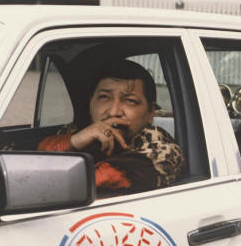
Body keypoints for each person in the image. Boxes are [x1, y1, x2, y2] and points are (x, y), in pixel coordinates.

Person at [37, 59, 184, 194]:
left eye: (130, 101)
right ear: (90, 104)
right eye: (104, 97)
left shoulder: (161, 149)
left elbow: (104, 178)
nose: (114, 111)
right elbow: (35, 158)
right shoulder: (78, 132)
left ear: (150, 113)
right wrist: (74, 141)